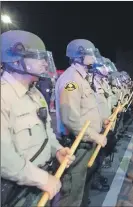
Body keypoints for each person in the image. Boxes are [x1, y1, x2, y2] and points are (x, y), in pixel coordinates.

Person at [1, 30, 75, 207]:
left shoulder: (35, 94)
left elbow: (46, 132)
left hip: (41, 183)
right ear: (16, 59)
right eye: (37, 57)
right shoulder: (4, 97)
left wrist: (56, 150)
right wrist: (42, 179)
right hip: (18, 192)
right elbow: (4, 158)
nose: (44, 62)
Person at [55, 39, 109, 206]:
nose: (93, 57)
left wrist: (101, 121)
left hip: (86, 141)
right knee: (72, 194)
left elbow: (87, 108)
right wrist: (95, 136)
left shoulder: (82, 78)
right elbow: (70, 117)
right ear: (79, 56)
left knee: (81, 189)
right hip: (76, 145)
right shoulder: (71, 80)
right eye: (89, 53)